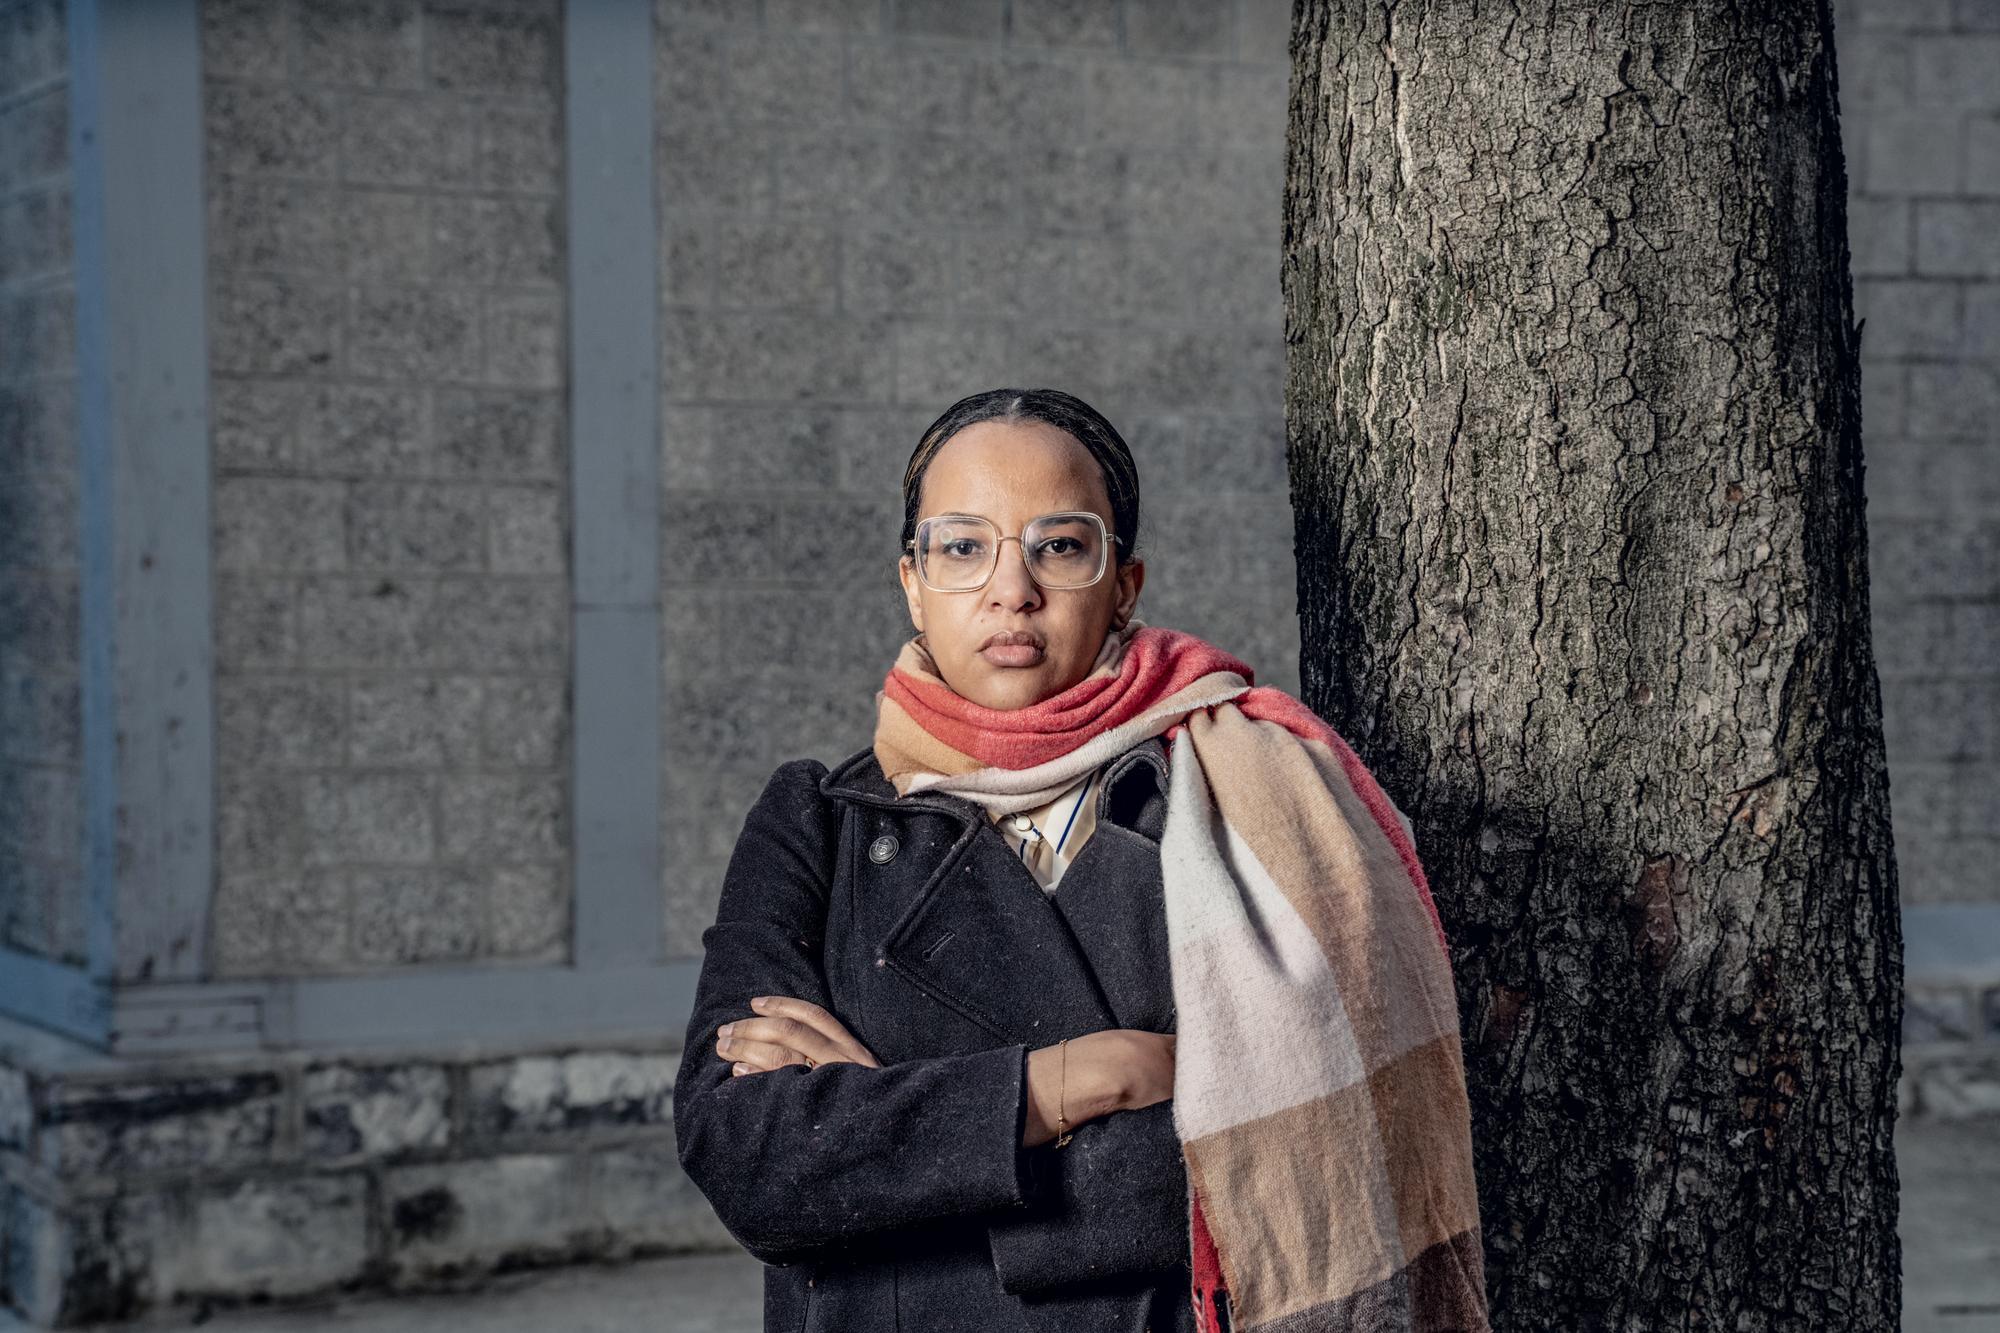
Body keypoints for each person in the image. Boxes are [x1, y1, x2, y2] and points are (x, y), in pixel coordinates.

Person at [671, 389, 1489, 1333]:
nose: (1010, 589)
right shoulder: (817, 823)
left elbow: (1313, 1170)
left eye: (1058, 545)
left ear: (1124, 583)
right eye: (963, 546)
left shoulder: (1249, 810)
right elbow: (748, 1158)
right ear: (913, 581)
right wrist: (1083, 1079)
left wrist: (891, 1139)